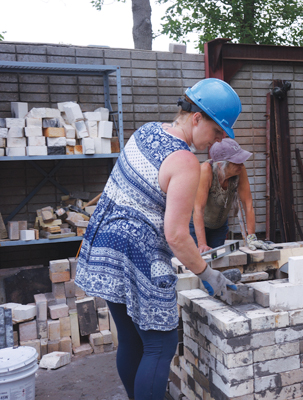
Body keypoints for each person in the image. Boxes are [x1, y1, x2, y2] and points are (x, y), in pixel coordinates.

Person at [75, 78, 241, 400]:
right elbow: (177, 235)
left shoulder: (147, 131)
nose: (218, 140)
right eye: (218, 131)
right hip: (137, 255)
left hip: (105, 247)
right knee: (160, 345)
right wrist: (207, 275)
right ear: (196, 118)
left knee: (132, 340)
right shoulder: (185, 162)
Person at [190, 138, 274, 252]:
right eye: (236, 161)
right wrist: (202, 244)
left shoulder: (240, 170)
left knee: (218, 261)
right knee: (200, 261)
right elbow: (198, 209)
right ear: (220, 165)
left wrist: (252, 237)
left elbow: (247, 204)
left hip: (219, 225)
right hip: (196, 226)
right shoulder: (206, 170)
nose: (241, 164)